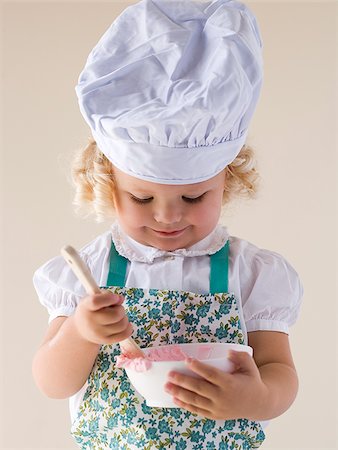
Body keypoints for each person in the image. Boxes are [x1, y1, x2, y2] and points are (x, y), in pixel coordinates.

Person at [32, 0, 303, 449]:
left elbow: (281, 375)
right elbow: (52, 382)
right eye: (141, 197)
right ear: (107, 182)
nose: (168, 215)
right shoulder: (91, 270)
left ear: (228, 180)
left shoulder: (252, 274)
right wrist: (80, 332)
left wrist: (255, 398)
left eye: (194, 196)